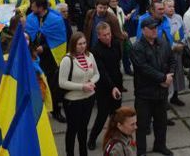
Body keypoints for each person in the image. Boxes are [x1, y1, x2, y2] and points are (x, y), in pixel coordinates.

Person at [130, 17, 176, 156]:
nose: (155, 30)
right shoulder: (137, 47)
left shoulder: (163, 43)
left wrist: (170, 76)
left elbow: (172, 60)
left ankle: (160, 145)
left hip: (161, 92)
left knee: (161, 123)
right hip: (144, 93)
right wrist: (162, 78)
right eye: (151, 28)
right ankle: (142, 151)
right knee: (142, 125)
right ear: (144, 30)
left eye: (155, 27)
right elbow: (143, 68)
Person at [58, 31, 100, 156]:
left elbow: (96, 74)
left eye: (84, 43)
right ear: (73, 45)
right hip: (73, 100)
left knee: (83, 128)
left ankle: (83, 152)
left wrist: (91, 82)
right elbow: (62, 82)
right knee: (72, 129)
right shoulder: (67, 60)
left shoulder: (90, 56)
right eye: (79, 44)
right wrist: (82, 86)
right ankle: (69, 153)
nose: (82, 46)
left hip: (88, 98)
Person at [88, 22, 124, 151]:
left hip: (117, 84)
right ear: (99, 36)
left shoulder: (115, 44)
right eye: (104, 35)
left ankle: (114, 137)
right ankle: (92, 139)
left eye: (109, 34)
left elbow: (118, 62)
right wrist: (112, 87)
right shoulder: (96, 51)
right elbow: (102, 72)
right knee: (102, 116)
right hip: (104, 88)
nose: (108, 37)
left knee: (116, 115)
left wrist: (118, 85)